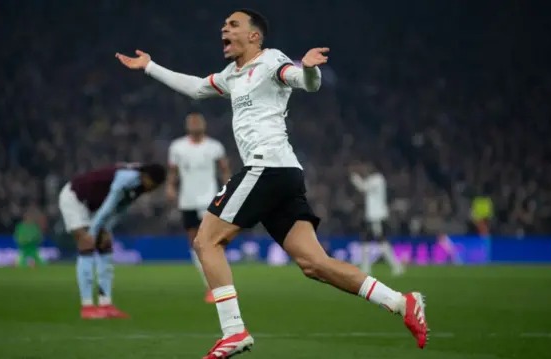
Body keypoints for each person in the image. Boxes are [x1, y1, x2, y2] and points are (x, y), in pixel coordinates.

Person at [115, 9, 428, 357]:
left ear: (254, 36)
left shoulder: (271, 61)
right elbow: (196, 88)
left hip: (267, 169)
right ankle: (402, 302)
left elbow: (304, 81)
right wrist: (149, 66)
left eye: (233, 25)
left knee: (206, 241)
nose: (224, 29)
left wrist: (309, 68)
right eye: (224, 25)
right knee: (315, 264)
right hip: (284, 174)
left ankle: (233, 331)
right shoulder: (233, 75)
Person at [58, 162, 166, 319]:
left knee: (105, 245)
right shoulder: (126, 178)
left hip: (92, 205)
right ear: (146, 177)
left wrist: (106, 229)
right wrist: (93, 231)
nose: (153, 189)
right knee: (86, 245)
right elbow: (109, 204)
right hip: (75, 198)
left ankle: (105, 304)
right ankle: (87, 307)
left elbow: (120, 209)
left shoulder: (140, 186)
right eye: (154, 185)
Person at [167, 113, 230, 303]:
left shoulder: (214, 146)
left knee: (209, 242)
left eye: (198, 121)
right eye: (191, 121)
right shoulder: (177, 147)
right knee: (195, 245)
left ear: (204, 124)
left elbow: (224, 169)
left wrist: (229, 189)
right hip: (187, 200)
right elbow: (173, 172)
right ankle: (210, 285)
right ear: (187, 125)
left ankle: (216, 285)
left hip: (209, 200)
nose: (195, 123)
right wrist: (170, 187)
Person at [350, 162, 404, 276]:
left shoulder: (377, 179)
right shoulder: (374, 179)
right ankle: (366, 267)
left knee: (381, 241)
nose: (365, 170)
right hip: (372, 216)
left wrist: (354, 178)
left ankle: (396, 266)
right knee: (366, 240)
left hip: (377, 216)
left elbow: (363, 187)